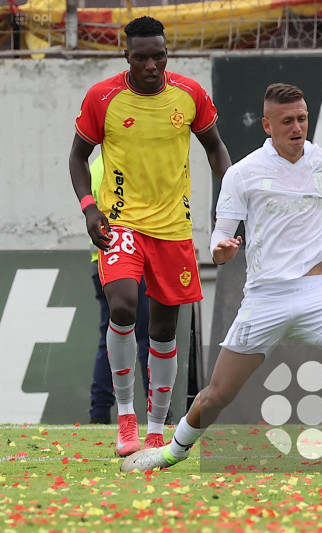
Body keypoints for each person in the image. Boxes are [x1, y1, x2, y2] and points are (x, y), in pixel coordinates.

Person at [121, 83, 322, 473]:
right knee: (219, 394)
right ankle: (171, 452)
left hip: (317, 291)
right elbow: (221, 236)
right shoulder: (242, 173)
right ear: (267, 125)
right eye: (287, 120)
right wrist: (222, 250)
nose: (297, 127)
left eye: (302, 118)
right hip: (265, 297)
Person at [69, 16, 231, 456]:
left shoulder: (189, 94)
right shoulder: (103, 97)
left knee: (164, 331)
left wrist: (230, 202)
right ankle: (126, 419)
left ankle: (156, 427)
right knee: (122, 308)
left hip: (173, 230)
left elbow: (215, 147)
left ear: (166, 54)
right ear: (127, 56)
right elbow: (78, 158)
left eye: (158, 55)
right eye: (141, 57)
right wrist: (90, 209)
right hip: (121, 225)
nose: (151, 65)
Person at [87, 156, 151, 425]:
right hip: (134, 259)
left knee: (110, 338)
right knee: (149, 338)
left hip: (102, 261)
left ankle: (100, 413)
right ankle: (158, 411)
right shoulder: (133, 160)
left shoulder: (95, 165)